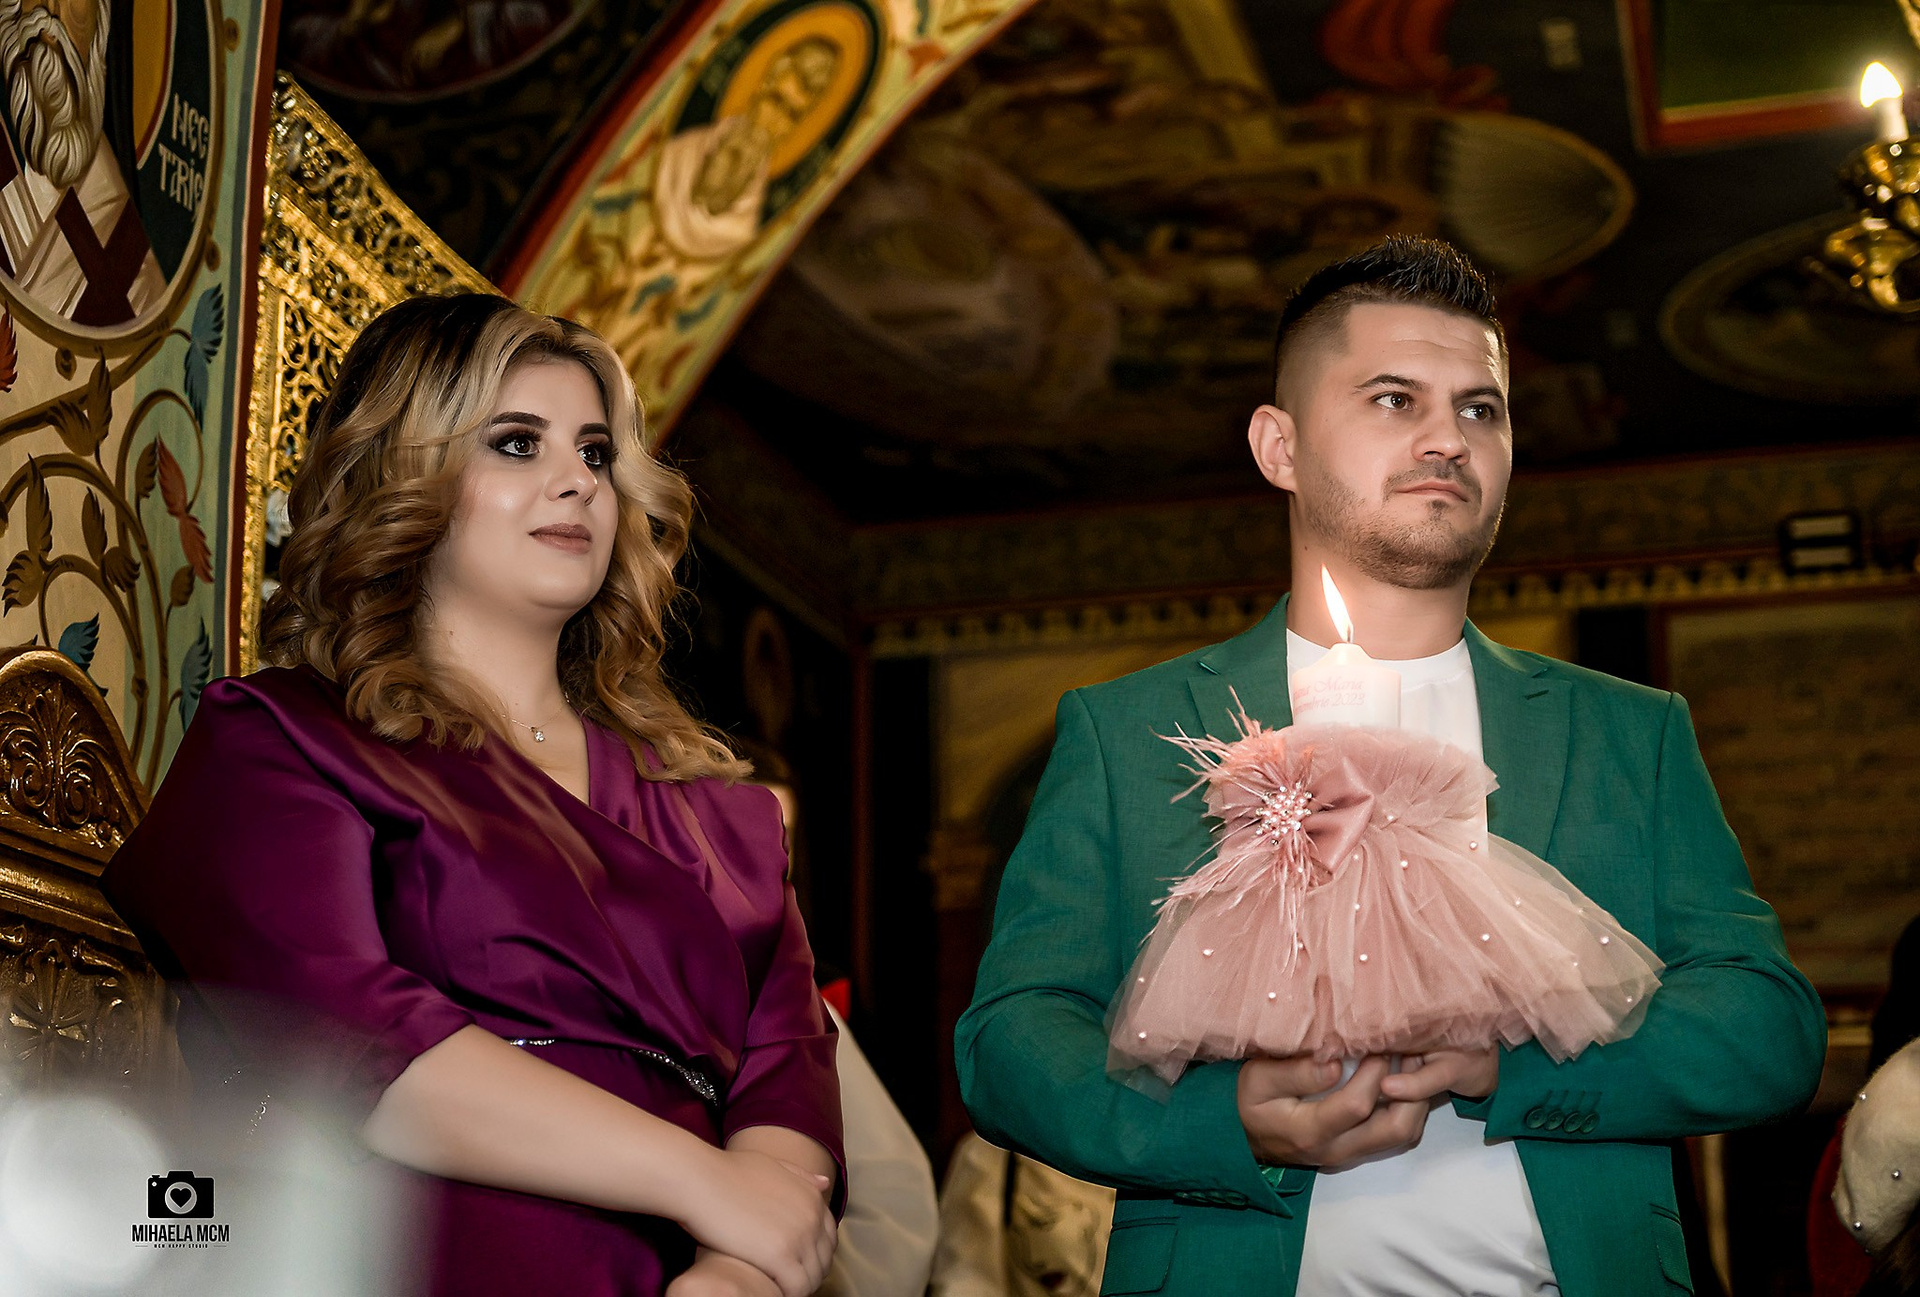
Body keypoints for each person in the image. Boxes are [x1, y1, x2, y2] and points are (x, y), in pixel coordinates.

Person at [956, 236, 1826, 1296]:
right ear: (1278, 446)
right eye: (1392, 398)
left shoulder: (1628, 732)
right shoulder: (1126, 730)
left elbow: (1768, 1030)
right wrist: (1222, 1118)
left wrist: (1517, 1062)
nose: (1448, 438)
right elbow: (1010, 1039)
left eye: (1480, 409)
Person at [101, 294, 842, 1297]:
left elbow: (788, 1082)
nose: (577, 480)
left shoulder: (731, 821)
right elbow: (350, 1039)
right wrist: (701, 1180)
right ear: (405, 474)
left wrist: (735, 1276)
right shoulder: (280, 738)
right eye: (517, 442)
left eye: (594, 452)